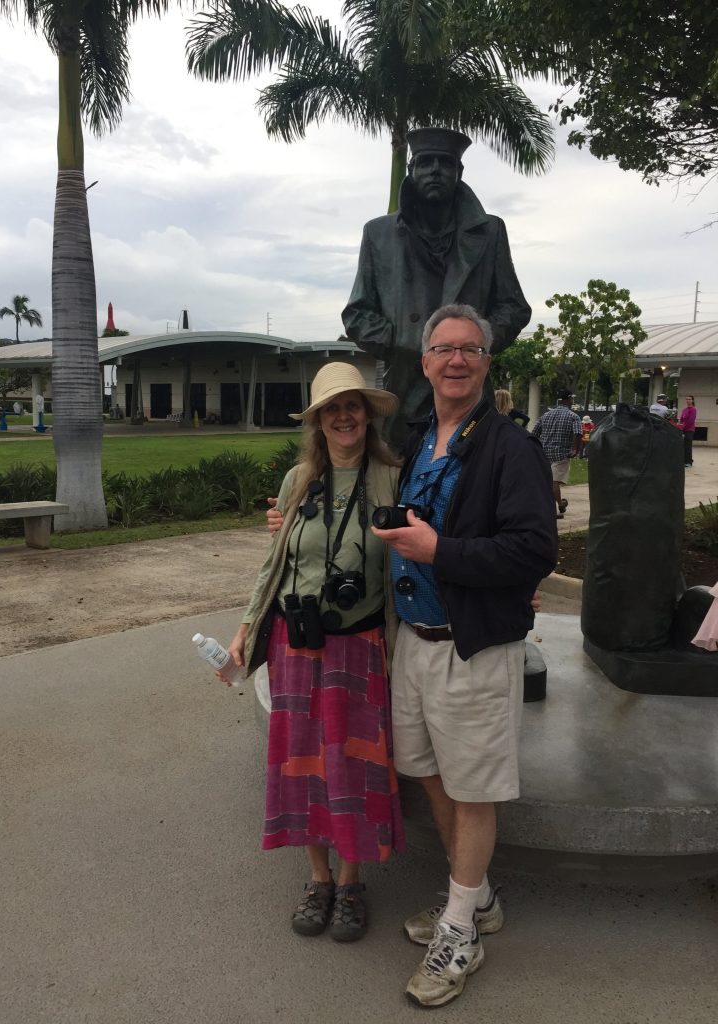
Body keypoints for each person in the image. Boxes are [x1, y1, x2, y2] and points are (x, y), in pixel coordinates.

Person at [371, 303, 557, 1007]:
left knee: (472, 790)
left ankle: (458, 931)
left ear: (486, 362)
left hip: (471, 648)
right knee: (432, 777)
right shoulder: (422, 438)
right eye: (443, 348)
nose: (455, 360)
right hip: (413, 644)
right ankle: (475, 898)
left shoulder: (511, 447)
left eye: (469, 349)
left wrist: (438, 551)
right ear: (425, 363)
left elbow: (535, 549)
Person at [224, 363, 405, 943]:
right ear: (319, 421)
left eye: (353, 406)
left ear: (367, 414)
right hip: (296, 644)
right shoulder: (298, 479)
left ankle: (351, 883)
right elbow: (274, 563)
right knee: (301, 761)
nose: (344, 417)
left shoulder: (391, 478)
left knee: (351, 764)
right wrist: (248, 624)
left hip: (360, 643)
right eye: (332, 409)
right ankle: (317, 879)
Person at [342, 127, 531, 447]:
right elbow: (357, 313)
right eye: (425, 162)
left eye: (444, 163)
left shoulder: (491, 232)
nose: (434, 170)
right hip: (405, 388)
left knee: (473, 480)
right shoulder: (379, 233)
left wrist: (473, 345)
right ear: (412, 169)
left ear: (458, 172)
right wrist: (400, 340)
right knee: (400, 481)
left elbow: (513, 307)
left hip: (467, 386)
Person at [531, 390, 582, 518]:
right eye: (572, 399)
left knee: (545, 482)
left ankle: (551, 505)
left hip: (544, 453)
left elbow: (534, 434)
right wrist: (575, 450)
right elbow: (578, 433)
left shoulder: (546, 416)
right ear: (568, 400)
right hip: (561, 454)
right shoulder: (573, 416)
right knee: (554, 482)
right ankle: (559, 504)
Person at [679, 394, 697, 466]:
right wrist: (680, 426)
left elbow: (691, 420)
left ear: (692, 400)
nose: (688, 400)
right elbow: (681, 419)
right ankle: (684, 461)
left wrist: (684, 427)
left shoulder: (693, 409)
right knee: (683, 446)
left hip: (689, 430)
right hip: (683, 429)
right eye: (687, 399)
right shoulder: (684, 409)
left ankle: (689, 462)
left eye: (689, 399)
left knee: (688, 446)